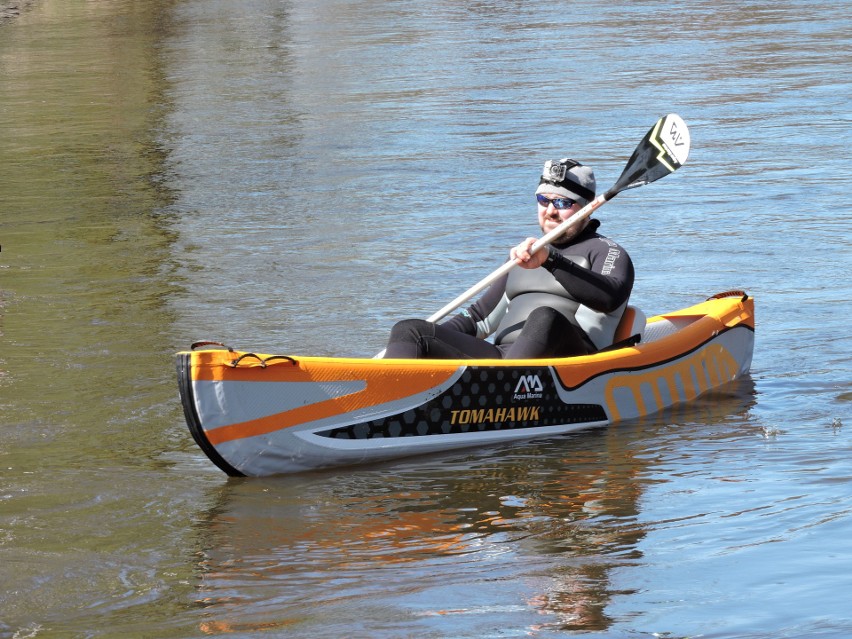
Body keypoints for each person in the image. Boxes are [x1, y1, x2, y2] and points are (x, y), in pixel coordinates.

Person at [382, 158, 634, 359]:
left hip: (571, 360)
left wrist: (550, 261)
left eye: (561, 202)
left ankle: (504, 387)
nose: (550, 211)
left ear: (586, 208)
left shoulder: (607, 251)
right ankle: (387, 395)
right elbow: (478, 320)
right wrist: (424, 342)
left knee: (544, 317)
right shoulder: (522, 256)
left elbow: (610, 297)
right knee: (410, 330)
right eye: (543, 200)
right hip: (504, 361)